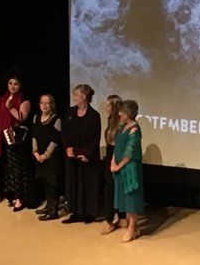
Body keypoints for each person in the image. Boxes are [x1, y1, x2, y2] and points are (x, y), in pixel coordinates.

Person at [0, 72, 32, 211]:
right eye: (10, 83)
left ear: (21, 85)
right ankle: (13, 196)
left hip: (17, 139)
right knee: (9, 169)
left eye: (16, 83)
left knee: (18, 169)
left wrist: (10, 107)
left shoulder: (23, 99)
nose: (12, 86)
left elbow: (22, 117)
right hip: (4, 137)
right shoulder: (3, 97)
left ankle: (20, 198)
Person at [61, 84, 101, 224]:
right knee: (74, 183)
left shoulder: (94, 115)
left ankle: (89, 213)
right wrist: (67, 148)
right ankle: (76, 212)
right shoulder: (70, 113)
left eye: (76, 95)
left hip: (87, 158)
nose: (74, 98)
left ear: (84, 96)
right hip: (72, 156)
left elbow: (96, 137)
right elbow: (65, 132)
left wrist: (87, 154)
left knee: (88, 184)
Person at [111, 99, 145, 242]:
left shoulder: (134, 129)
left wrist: (119, 165)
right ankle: (130, 225)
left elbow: (130, 151)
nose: (119, 114)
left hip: (129, 168)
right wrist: (113, 161)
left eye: (122, 112)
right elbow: (117, 146)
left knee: (131, 197)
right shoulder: (122, 126)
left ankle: (132, 228)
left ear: (129, 113)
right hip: (119, 166)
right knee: (123, 197)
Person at [31, 94, 63, 221]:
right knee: (43, 181)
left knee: (52, 184)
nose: (44, 105)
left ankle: (53, 210)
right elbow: (34, 136)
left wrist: (45, 155)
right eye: (42, 102)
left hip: (51, 158)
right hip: (39, 156)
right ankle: (48, 205)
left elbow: (55, 141)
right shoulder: (36, 118)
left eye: (47, 103)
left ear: (52, 105)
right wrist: (36, 153)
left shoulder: (56, 120)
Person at [100, 94, 125, 235]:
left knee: (117, 187)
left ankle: (120, 217)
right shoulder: (110, 119)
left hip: (118, 154)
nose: (106, 108)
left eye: (108, 105)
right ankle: (109, 219)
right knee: (109, 187)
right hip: (110, 153)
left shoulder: (122, 122)